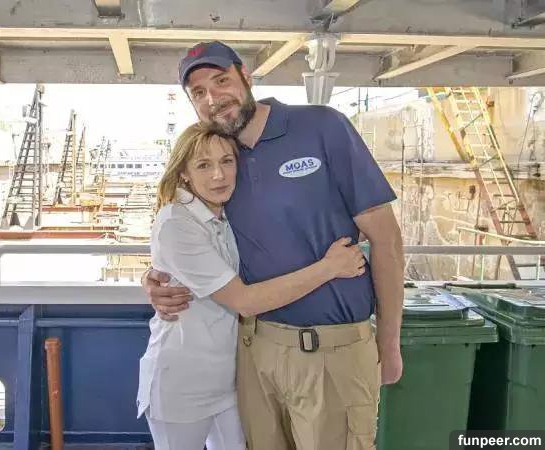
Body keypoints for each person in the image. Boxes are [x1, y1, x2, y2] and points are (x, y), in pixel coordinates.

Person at [143, 41, 404, 450]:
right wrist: (157, 277)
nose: (213, 98)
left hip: (332, 350)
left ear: (246, 76)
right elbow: (190, 234)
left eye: (221, 81)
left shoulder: (322, 127)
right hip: (253, 353)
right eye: (199, 92)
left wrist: (389, 342)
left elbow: (387, 240)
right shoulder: (222, 154)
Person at [137, 122, 366, 450]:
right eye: (203, 165)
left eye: (227, 161)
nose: (218, 175)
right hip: (183, 383)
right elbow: (244, 301)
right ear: (184, 173)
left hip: (230, 379)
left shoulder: (227, 212)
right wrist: (329, 267)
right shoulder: (176, 221)